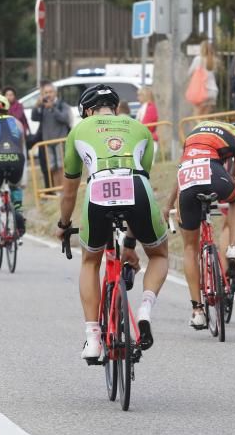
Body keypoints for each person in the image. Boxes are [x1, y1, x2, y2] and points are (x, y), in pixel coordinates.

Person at [54, 84, 169, 360]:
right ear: (115, 108)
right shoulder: (138, 127)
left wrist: (63, 223)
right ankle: (144, 309)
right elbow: (141, 177)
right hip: (136, 187)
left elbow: (69, 190)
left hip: (98, 191)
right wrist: (130, 241)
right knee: (159, 254)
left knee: (90, 261)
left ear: (89, 111)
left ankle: (93, 338)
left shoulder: (79, 131)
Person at [166, 111, 235, 329]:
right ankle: (231, 249)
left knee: (190, 247)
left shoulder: (196, 131)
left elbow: (181, 169)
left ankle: (197, 310)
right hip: (212, 172)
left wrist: (169, 204)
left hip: (187, 178)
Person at [0, 94, 27, 253]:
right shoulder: (18, 123)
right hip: (16, 159)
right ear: (8, 108)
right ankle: (18, 210)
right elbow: (22, 150)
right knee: (15, 185)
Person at [30, 82, 72, 188]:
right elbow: (34, 118)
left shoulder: (62, 105)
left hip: (60, 141)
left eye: (50, 92)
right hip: (47, 142)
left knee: (61, 166)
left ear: (55, 93)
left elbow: (65, 119)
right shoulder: (43, 107)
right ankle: (57, 189)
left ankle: (64, 188)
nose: (48, 95)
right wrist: (36, 106)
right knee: (52, 167)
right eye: (45, 92)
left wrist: (53, 108)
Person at [189, 40, 219, 116]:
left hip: (202, 92)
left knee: (196, 116)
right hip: (213, 92)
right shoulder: (213, 60)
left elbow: (190, 73)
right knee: (205, 117)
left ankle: (199, 128)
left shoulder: (198, 59)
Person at [136, 86, 160, 157]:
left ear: (145, 95)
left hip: (149, 139)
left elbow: (147, 125)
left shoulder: (150, 107)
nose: (138, 98)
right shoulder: (144, 108)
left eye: (139, 95)